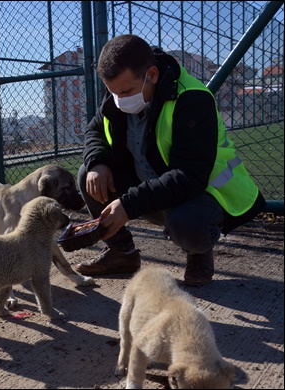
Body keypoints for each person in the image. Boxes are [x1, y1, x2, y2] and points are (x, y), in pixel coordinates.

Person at [73, 34, 265, 287]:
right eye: (113, 92)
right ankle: (122, 253)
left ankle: (198, 254)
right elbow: (95, 129)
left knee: (189, 225)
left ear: (152, 74)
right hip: (150, 181)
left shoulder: (192, 99)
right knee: (87, 173)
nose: (119, 100)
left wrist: (128, 205)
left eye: (127, 91)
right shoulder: (120, 92)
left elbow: (189, 176)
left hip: (201, 190)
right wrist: (97, 162)